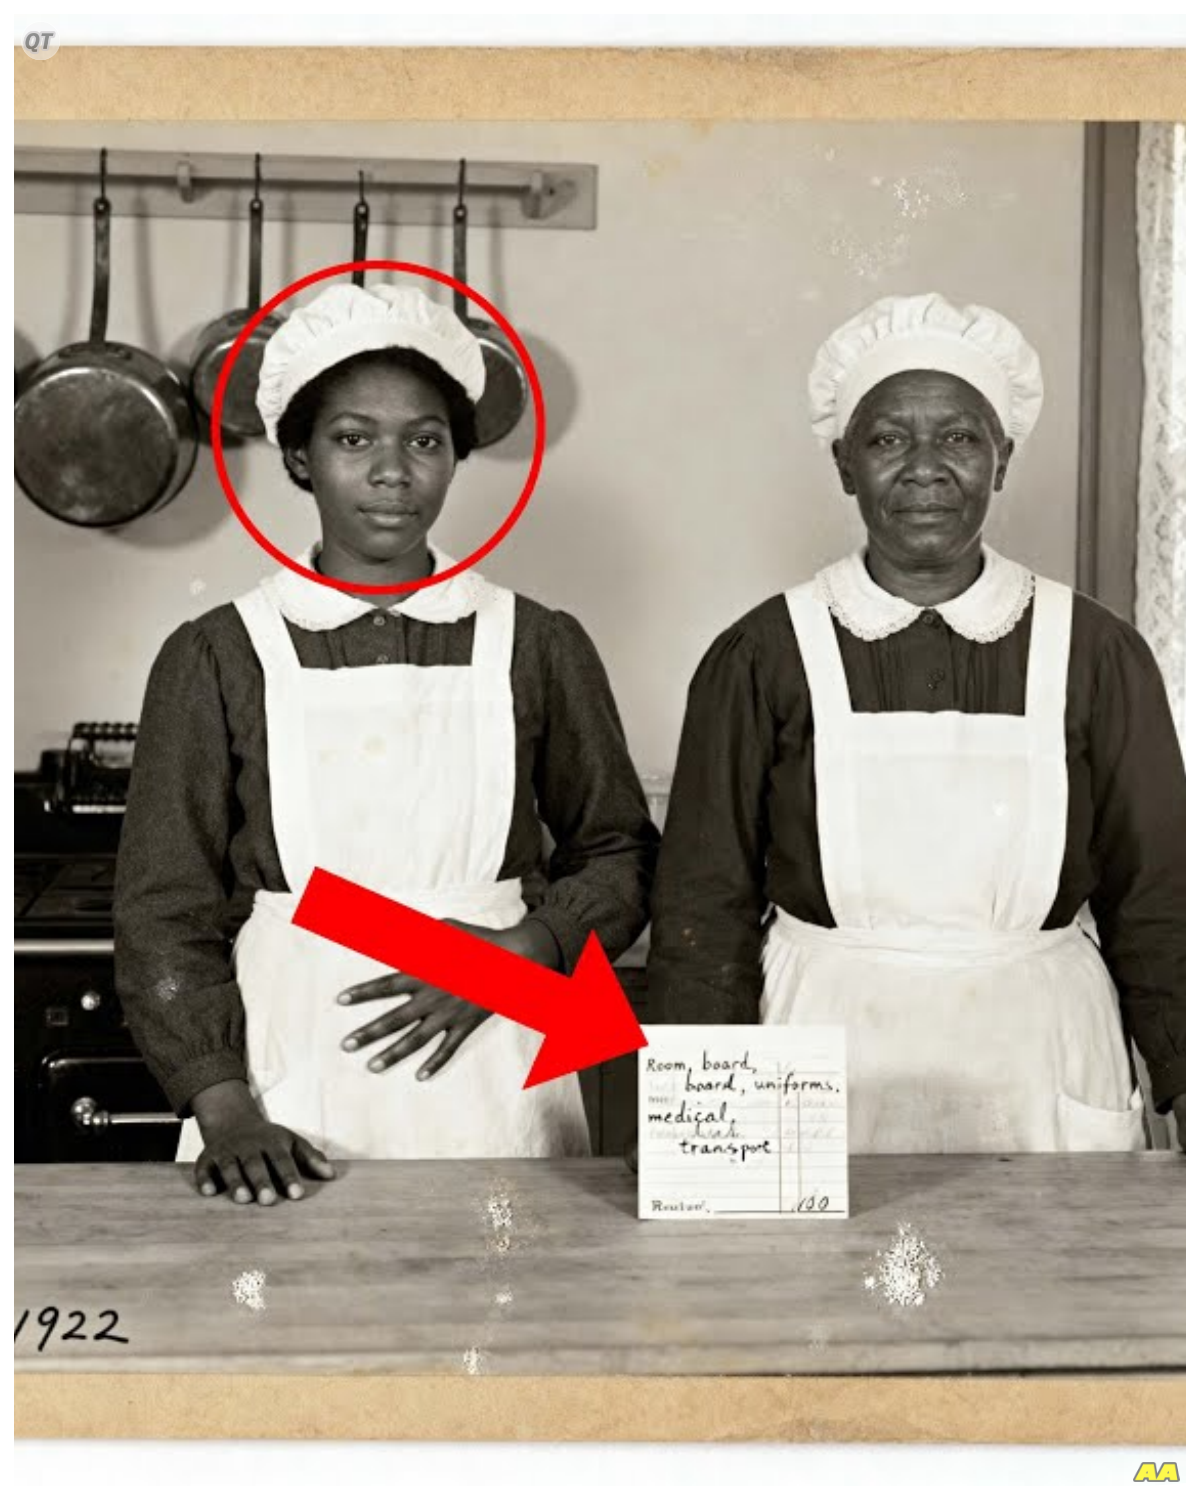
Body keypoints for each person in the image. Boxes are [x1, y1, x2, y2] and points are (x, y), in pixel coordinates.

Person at [114, 281, 658, 1205]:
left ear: (455, 459)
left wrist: (521, 951)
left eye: (425, 441)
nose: (393, 472)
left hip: (500, 1053)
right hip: (287, 1069)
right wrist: (225, 1108)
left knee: (512, 1276)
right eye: (353, 439)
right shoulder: (217, 654)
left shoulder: (537, 642)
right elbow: (163, 909)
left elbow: (620, 852)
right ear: (299, 458)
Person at [646, 292, 1185, 1156]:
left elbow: (1157, 898)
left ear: (1003, 459)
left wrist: (1184, 1072)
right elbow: (704, 904)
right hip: (822, 1042)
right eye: (888, 439)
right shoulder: (762, 653)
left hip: (1044, 1052)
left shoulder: (1097, 653)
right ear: (844, 463)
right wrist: (691, 1114)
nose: (926, 468)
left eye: (961, 438)